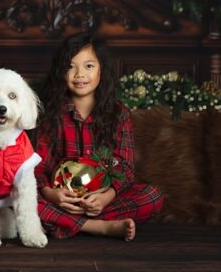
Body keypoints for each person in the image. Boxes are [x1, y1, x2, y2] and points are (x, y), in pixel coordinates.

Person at [34, 32, 164, 240]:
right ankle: (98, 227)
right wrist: (51, 194)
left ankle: (59, 223)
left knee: (152, 196)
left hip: (102, 200)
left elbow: (125, 167)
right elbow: (38, 166)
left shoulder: (119, 114)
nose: (79, 74)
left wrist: (105, 197)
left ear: (102, 69)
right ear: (61, 71)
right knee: (19, 197)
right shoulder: (51, 114)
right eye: (70, 66)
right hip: (60, 199)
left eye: (88, 66)